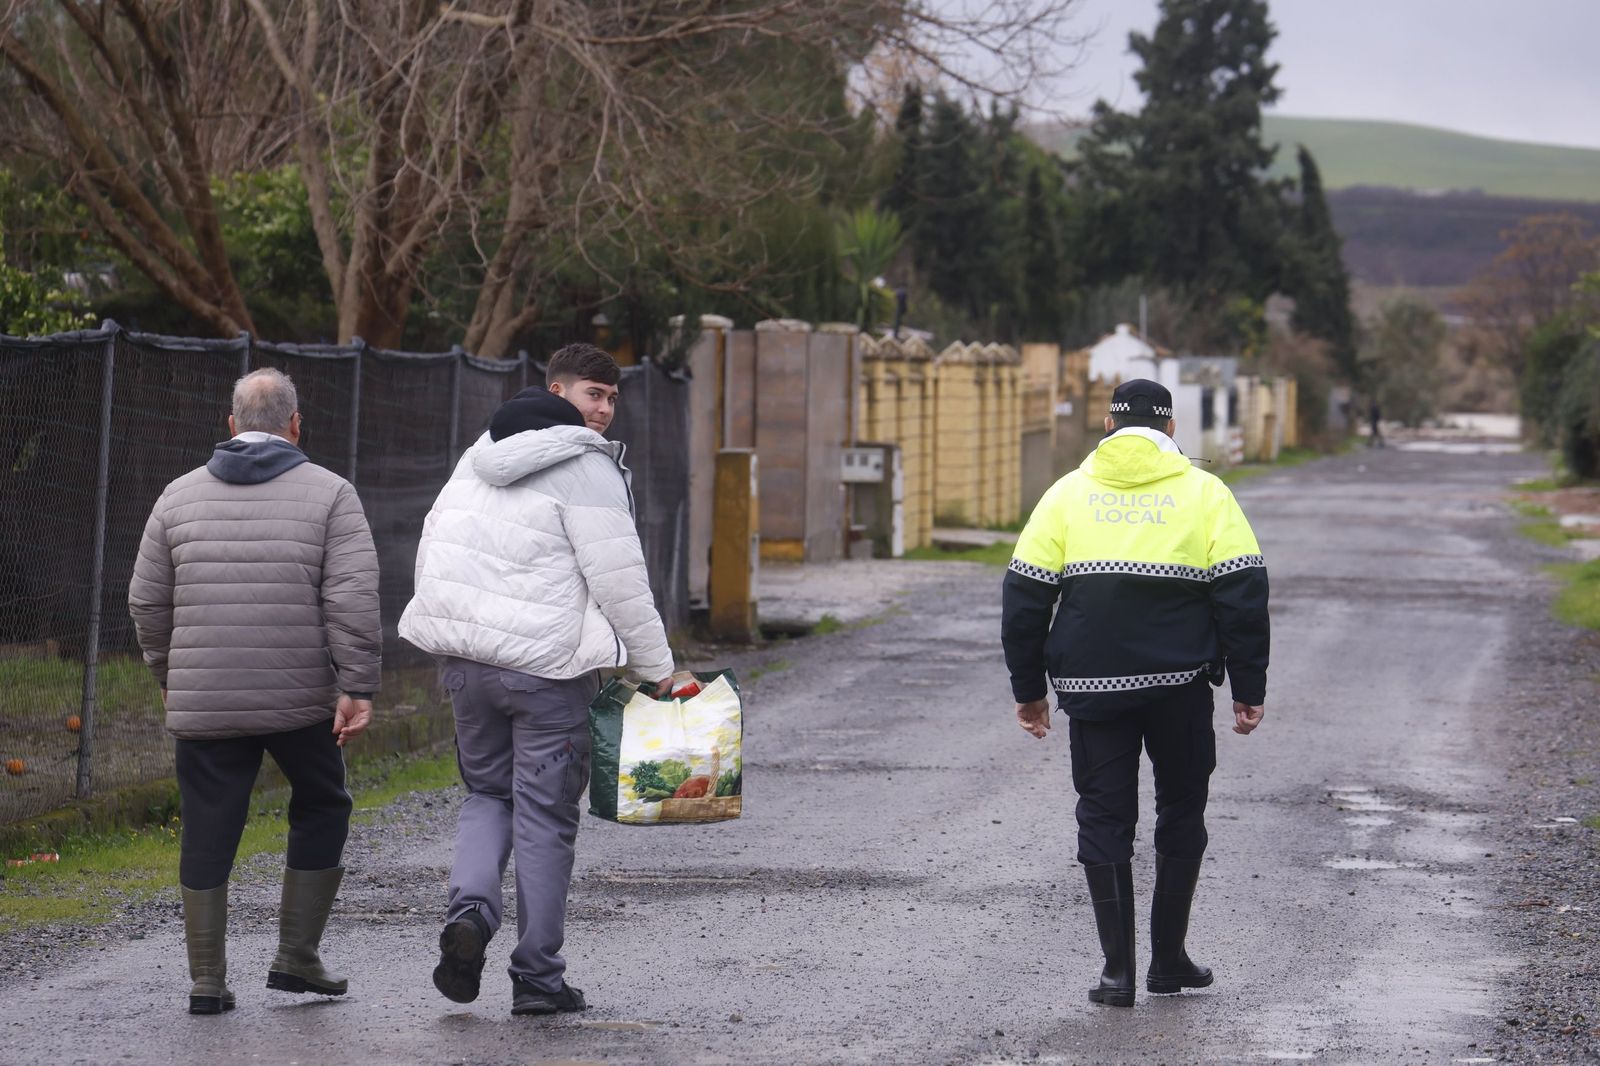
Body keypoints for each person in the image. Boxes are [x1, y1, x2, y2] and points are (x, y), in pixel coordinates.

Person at [398, 343, 674, 1017]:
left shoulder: (476, 457)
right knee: (548, 822)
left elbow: (433, 544)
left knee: (487, 797)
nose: (604, 409)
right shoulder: (589, 467)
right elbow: (620, 581)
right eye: (593, 395)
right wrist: (657, 669)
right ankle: (539, 978)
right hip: (548, 673)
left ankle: (470, 917)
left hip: (468, 663)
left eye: (612, 397)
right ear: (557, 390)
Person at [1000, 378, 1269, 1008]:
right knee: (1181, 811)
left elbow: (1024, 598)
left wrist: (1029, 690)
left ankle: (1117, 972)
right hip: (1179, 688)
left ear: (1108, 427)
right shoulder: (1206, 494)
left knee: (1103, 816)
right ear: (1171, 429)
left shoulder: (1066, 494)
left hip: (1092, 689)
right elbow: (1243, 593)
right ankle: (1168, 961)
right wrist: (1247, 687)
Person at [127, 367, 381, 1015]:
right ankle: (297, 957)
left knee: (209, 822)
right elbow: (351, 600)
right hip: (300, 700)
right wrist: (356, 684)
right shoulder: (332, 494)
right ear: (296, 426)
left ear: (232, 424)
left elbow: (146, 601)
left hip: (205, 697)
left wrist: (167, 673)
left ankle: (206, 980)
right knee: (323, 803)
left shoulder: (175, 498)